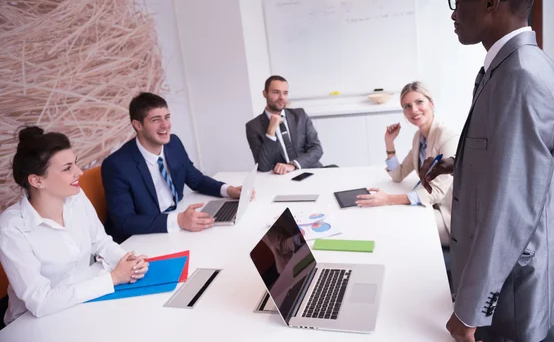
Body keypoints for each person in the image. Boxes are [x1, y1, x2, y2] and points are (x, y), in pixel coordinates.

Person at [421, 0, 554, 341]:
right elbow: (510, 163)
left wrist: (471, 309)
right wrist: (457, 164)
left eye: (458, 1)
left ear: (491, 2)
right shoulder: (513, 66)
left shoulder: (521, 76)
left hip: (511, 295)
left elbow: (512, 206)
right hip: (505, 281)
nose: (454, 13)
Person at [0, 127, 148, 325]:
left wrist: (126, 260)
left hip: (84, 301)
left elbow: (101, 242)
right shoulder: (11, 227)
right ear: (37, 180)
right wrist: (113, 278)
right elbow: (40, 302)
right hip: (33, 323)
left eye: (75, 164)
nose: (79, 172)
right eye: (67, 168)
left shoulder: (76, 197)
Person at [102, 92, 246, 242]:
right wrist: (178, 221)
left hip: (176, 224)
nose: (165, 125)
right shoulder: (117, 166)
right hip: (140, 238)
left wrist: (228, 190)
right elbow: (125, 222)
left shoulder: (173, 143)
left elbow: (195, 179)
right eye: (156, 120)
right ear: (138, 125)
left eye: (167, 117)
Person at [356, 82, 458, 246]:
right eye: (407, 106)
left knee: (398, 227)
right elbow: (398, 174)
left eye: (419, 102)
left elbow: (437, 191)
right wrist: (389, 142)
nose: (414, 110)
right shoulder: (419, 138)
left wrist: (388, 199)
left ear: (431, 103)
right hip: (429, 205)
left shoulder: (447, 136)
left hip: (447, 213)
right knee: (389, 217)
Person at [246, 75, 324, 174]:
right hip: (282, 179)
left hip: (311, 171)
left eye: (285, 93)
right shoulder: (253, 126)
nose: (281, 97)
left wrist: (294, 165)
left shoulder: (300, 115)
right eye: (276, 92)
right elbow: (263, 167)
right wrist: (270, 132)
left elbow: (317, 149)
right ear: (265, 94)